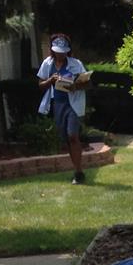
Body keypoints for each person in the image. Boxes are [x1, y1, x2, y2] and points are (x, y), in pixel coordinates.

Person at [37, 34, 90, 184]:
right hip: (58, 104)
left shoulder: (76, 64)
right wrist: (50, 80)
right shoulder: (47, 64)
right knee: (66, 139)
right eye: (58, 51)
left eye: (64, 51)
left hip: (73, 104)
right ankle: (76, 169)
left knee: (73, 135)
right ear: (53, 51)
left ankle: (79, 172)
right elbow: (40, 85)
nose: (61, 54)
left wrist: (75, 85)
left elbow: (88, 84)